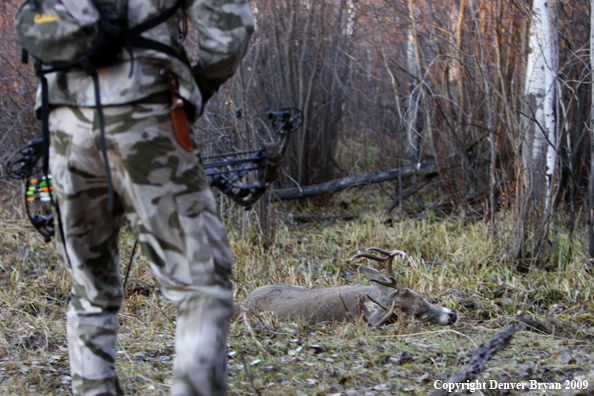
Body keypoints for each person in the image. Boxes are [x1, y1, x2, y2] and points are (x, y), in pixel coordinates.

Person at [40, 0, 254, 395]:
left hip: (64, 123)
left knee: (89, 291)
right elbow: (230, 30)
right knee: (201, 286)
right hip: (149, 116)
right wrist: (199, 86)